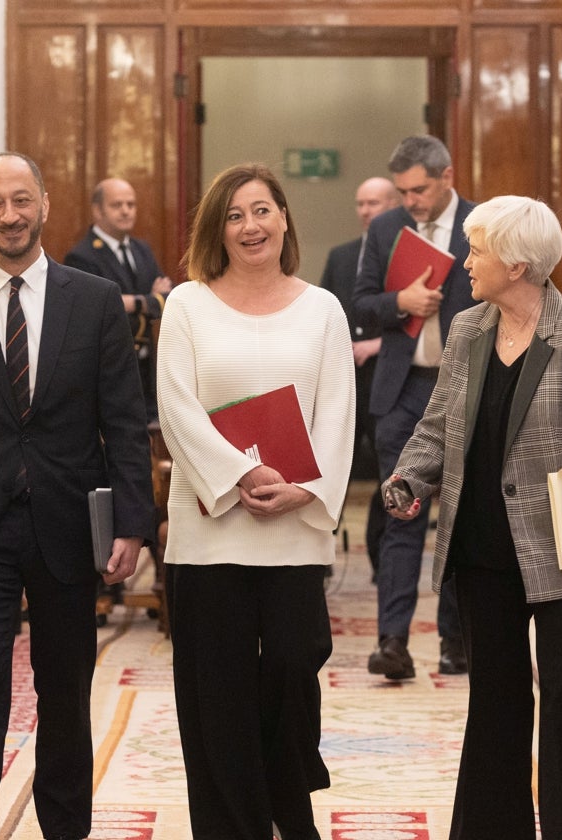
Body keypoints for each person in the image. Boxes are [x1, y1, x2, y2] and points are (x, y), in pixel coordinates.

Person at [0, 152, 156, 840]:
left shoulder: (94, 300)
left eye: (20, 200)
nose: (8, 216)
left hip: (68, 529)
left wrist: (131, 524)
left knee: (65, 698)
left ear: (44, 203)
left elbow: (125, 421)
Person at [381, 195, 562, 839]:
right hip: (480, 542)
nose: (465, 263)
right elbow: (439, 423)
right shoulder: (469, 328)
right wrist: (409, 476)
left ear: (519, 264)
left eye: (477, 251)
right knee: (495, 699)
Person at [156, 163, 354, 840]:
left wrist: (306, 487)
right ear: (218, 230)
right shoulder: (186, 304)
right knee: (218, 695)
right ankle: (235, 827)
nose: (251, 226)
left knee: (297, 665)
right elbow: (176, 407)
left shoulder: (323, 307)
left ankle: (286, 803)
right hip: (210, 530)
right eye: (236, 215)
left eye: (263, 210)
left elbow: (336, 411)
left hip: (295, 527)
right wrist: (236, 478)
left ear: (284, 220)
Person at [351, 135, 474, 679]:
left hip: (465, 391)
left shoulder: (482, 225)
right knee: (400, 513)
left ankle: (455, 639)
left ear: (447, 176)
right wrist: (399, 303)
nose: (412, 202)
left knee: (461, 520)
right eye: (403, 192)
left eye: (420, 190)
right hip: (402, 394)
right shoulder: (385, 229)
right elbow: (359, 304)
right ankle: (392, 643)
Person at [320, 176, 399, 578]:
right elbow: (321, 313)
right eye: (361, 203)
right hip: (344, 379)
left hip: (390, 379)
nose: (366, 210)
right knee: (331, 465)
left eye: (375, 203)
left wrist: (378, 346)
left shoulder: (405, 255)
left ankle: (383, 557)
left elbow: (421, 323)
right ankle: (319, 552)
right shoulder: (341, 256)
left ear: (394, 205)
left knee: (393, 469)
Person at [64, 177, 173, 420]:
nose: (126, 211)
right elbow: (99, 309)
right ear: (97, 210)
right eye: (117, 205)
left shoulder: (141, 249)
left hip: (148, 369)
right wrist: (148, 299)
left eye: (131, 204)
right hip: (111, 368)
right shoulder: (82, 257)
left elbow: (166, 297)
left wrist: (134, 302)